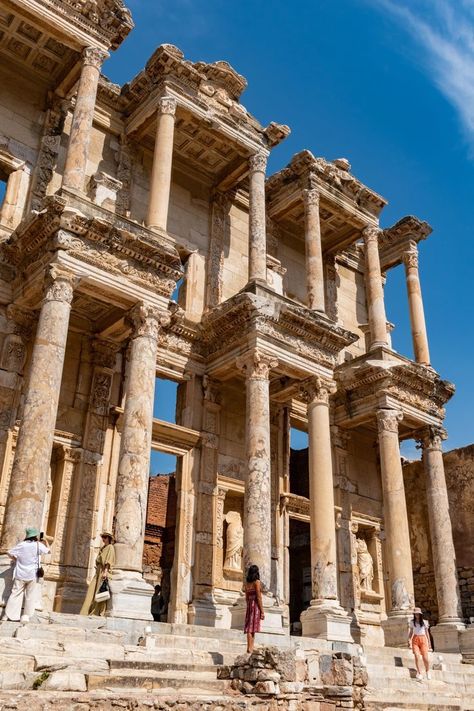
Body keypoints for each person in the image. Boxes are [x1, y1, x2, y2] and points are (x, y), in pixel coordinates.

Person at [3, 527, 49, 623]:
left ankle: (7, 615)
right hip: (32, 574)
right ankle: (25, 616)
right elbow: (48, 551)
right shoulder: (38, 545)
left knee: (15, 594)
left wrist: (16, 559)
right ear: (35, 536)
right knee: (30, 595)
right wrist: (46, 541)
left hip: (20, 573)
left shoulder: (22, 545)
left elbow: (9, 552)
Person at [80, 531, 115, 616]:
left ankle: (97, 612)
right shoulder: (103, 548)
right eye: (103, 537)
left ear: (109, 538)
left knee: (99, 592)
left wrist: (105, 572)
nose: (103, 539)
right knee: (91, 591)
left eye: (105, 537)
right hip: (98, 571)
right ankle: (86, 612)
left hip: (103, 571)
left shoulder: (110, 547)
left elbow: (108, 561)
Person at [244, 564, 264, 654]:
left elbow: (246, 597)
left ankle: (250, 647)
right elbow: (259, 597)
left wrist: (249, 604)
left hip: (249, 604)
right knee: (252, 627)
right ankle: (250, 647)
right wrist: (262, 611)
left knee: (249, 627)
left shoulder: (247, 583)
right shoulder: (257, 582)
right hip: (255, 604)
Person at [408, 606, 432, 681]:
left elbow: (427, 633)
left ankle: (427, 671)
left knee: (425, 657)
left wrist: (429, 642)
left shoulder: (425, 622)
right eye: (415, 614)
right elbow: (411, 632)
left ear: (420, 614)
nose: (416, 615)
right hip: (415, 639)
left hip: (423, 639)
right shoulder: (412, 622)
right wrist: (409, 639)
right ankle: (420, 673)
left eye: (418, 614)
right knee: (417, 656)